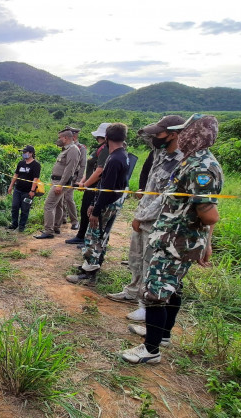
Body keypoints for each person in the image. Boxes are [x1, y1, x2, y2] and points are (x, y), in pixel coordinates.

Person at [120, 114, 223, 365]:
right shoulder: (192, 161)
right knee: (172, 287)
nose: (183, 135)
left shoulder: (202, 167)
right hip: (171, 238)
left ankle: (150, 350)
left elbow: (209, 214)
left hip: (177, 242)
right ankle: (162, 335)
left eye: (187, 131)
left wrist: (205, 240)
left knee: (155, 291)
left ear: (196, 135)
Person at [106, 115, 185, 324]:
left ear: (174, 134)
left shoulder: (180, 161)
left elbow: (164, 199)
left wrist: (141, 216)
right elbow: (145, 136)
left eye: (160, 133)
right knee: (136, 257)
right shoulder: (159, 154)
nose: (155, 138)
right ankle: (132, 290)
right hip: (143, 215)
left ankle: (145, 305)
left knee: (151, 263)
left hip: (157, 221)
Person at [66, 123, 130, 284]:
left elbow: (106, 188)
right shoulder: (122, 155)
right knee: (101, 236)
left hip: (107, 202)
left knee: (94, 237)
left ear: (107, 138)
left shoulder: (114, 159)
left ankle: (89, 275)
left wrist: (95, 209)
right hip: (112, 200)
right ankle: (90, 265)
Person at [65, 123, 110, 246]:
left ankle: (87, 239)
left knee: (91, 213)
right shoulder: (99, 149)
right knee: (85, 211)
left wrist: (86, 184)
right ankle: (81, 236)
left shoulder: (105, 150)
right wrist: (83, 182)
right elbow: (91, 168)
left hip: (95, 187)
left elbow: (99, 171)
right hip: (90, 186)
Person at [35, 129, 81, 239]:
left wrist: (60, 184)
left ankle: (48, 231)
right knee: (59, 204)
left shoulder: (73, 150)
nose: (58, 140)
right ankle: (56, 226)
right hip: (57, 181)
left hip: (61, 182)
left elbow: (69, 170)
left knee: (48, 205)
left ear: (65, 138)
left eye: (60, 137)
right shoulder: (66, 149)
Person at [7, 145, 41, 232]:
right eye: (23, 152)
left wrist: (32, 190)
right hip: (18, 189)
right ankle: (14, 224)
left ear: (31, 153)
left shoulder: (36, 165)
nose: (24, 154)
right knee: (14, 207)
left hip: (27, 192)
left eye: (25, 152)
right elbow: (16, 175)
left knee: (25, 209)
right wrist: (11, 186)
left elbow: (35, 179)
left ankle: (22, 226)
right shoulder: (21, 163)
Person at [58, 127, 86, 231]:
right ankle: (63, 218)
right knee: (61, 197)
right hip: (64, 176)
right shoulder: (67, 147)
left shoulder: (80, 148)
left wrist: (78, 180)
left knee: (68, 198)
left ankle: (75, 221)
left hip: (73, 176)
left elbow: (83, 165)